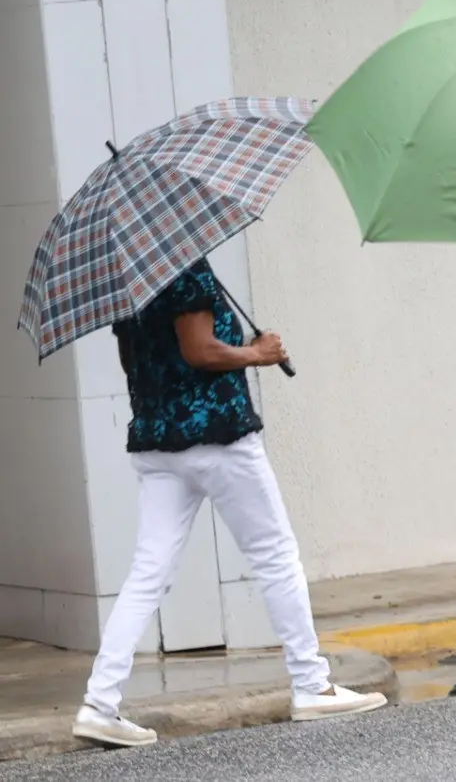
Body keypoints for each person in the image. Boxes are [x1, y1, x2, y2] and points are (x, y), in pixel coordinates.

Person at [74, 259, 386, 748]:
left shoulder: (130, 274)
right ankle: (312, 684)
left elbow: (140, 360)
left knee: (147, 573)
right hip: (217, 437)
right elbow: (199, 350)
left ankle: (99, 702)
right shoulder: (186, 266)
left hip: (158, 444)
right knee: (275, 553)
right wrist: (257, 352)